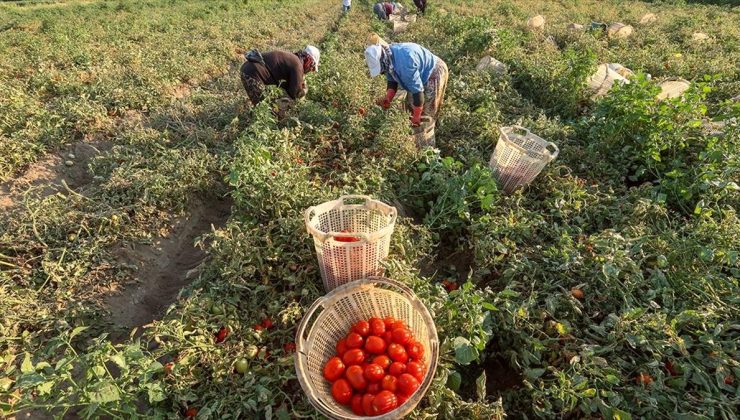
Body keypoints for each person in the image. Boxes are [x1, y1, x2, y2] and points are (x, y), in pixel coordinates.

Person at [364, 42, 448, 126]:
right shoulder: (388, 58)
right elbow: (391, 80)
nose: (382, 72)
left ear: (382, 61)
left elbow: (417, 92)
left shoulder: (405, 64)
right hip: (417, 71)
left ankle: (429, 133)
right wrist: (388, 97)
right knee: (410, 108)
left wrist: (417, 115)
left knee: (427, 111)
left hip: (434, 70)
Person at [239, 45, 320, 106]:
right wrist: (304, 91)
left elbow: (285, 85)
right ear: (309, 60)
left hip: (249, 70)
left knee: (266, 104)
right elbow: (294, 94)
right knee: (262, 108)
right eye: (312, 67)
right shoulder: (297, 65)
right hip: (252, 74)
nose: (310, 70)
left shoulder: (293, 59)